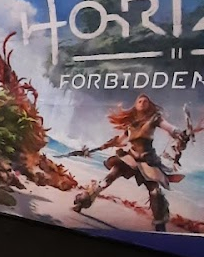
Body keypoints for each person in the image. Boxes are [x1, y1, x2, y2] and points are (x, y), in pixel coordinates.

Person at [72, 94, 189, 232]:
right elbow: (119, 140)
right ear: (135, 105)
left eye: (146, 101)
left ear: (149, 105)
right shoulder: (131, 124)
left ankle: (160, 226)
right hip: (130, 158)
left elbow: (169, 128)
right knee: (108, 178)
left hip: (148, 160)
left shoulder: (154, 119)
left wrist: (179, 134)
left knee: (155, 192)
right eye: (140, 101)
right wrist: (102, 147)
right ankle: (82, 202)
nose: (143, 102)